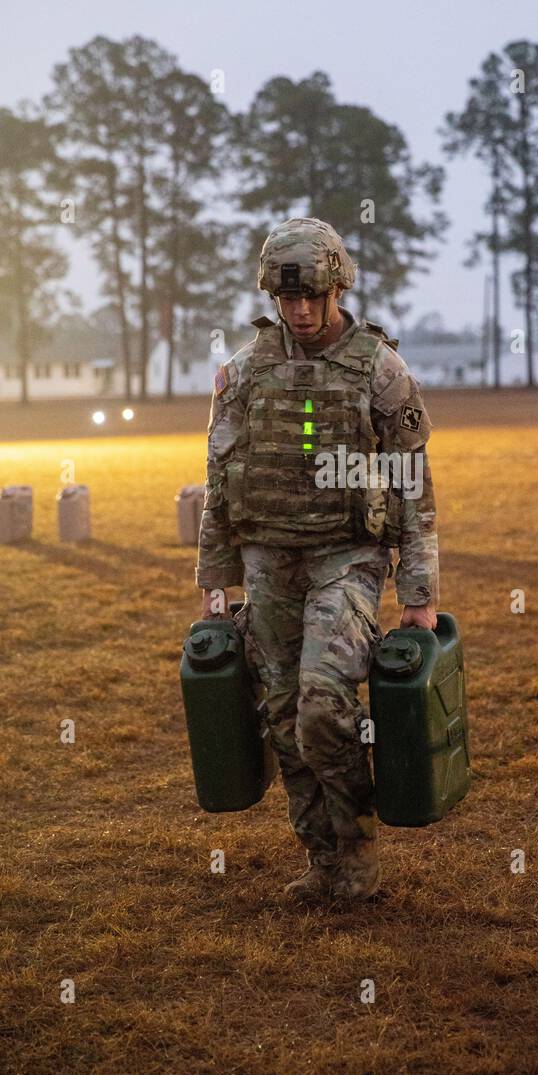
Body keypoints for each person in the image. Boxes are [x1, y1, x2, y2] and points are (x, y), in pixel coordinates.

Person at [195, 217, 440, 902]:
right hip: (268, 560)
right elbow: (219, 482)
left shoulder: (380, 370)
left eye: (312, 298)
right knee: (281, 718)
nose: (300, 313)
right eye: (287, 300)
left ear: (337, 289)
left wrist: (417, 591)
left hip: (348, 557)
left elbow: (413, 488)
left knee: (323, 708)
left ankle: (356, 845)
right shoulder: (243, 375)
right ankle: (322, 860)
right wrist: (215, 580)